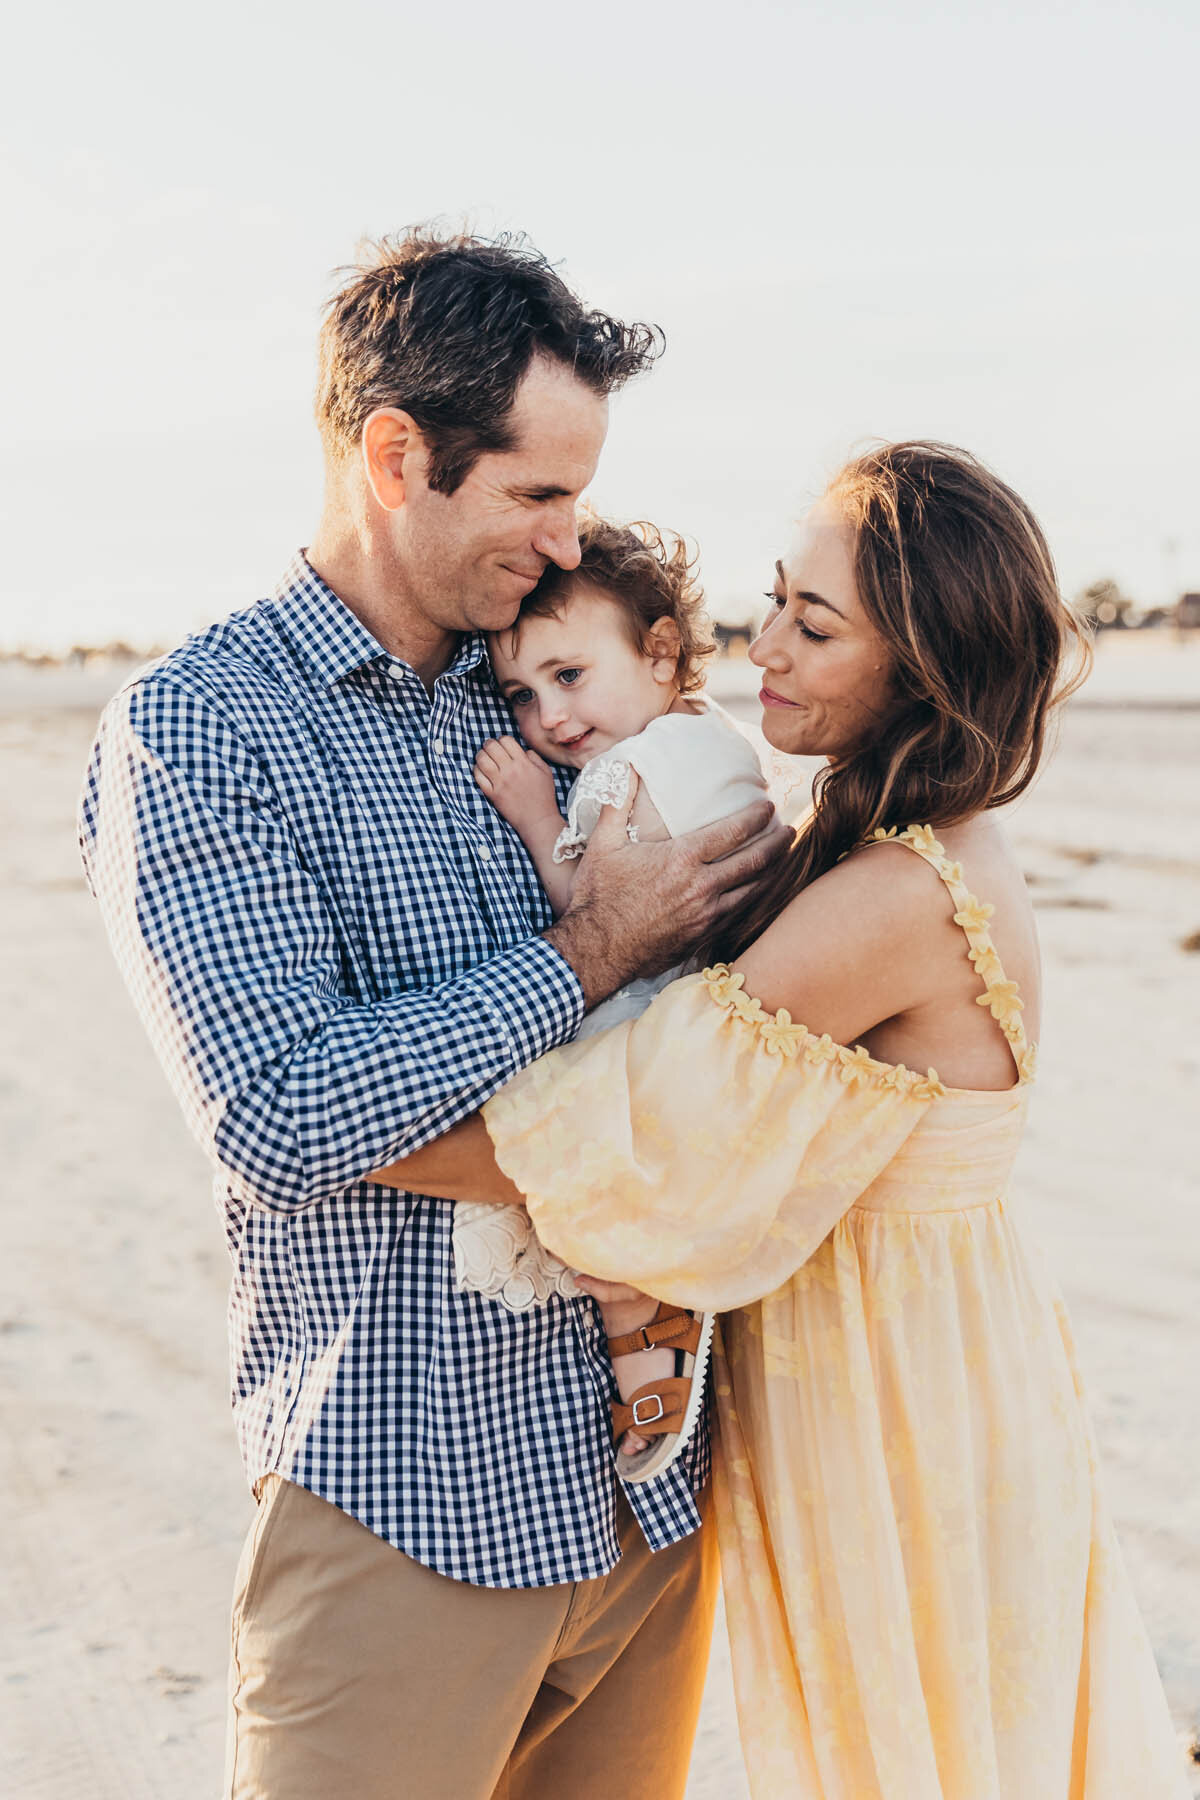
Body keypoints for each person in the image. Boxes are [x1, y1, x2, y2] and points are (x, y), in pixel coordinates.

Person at [77, 227, 783, 1800]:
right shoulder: (202, 729)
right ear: (397, 456)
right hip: (405, 1503)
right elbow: (285, 1110)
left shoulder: (547, 679)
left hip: (647, 1494)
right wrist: (587, 954)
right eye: (537, 492)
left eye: (580, 493)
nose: (568, 535)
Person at [371, 442, 1190, 1798]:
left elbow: (638, 1128)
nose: (771, 650)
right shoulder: (888, 842)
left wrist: (351, 1138)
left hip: (897, 1387)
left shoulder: (891, 897)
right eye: (776, 604)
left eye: (818, 625)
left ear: (921, 669)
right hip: (920, 1351)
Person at [458, 511, 770, 1478]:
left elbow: (601, 918)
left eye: (569, 676)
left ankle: (646, 1324)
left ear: (662, 650)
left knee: (564, 1175)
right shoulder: (718, 743)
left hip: (642, 1022)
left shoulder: (621, 775)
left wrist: (535, 811)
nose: (549, 717)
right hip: (714, 1018)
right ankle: (653, 1326)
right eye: (520, 693)